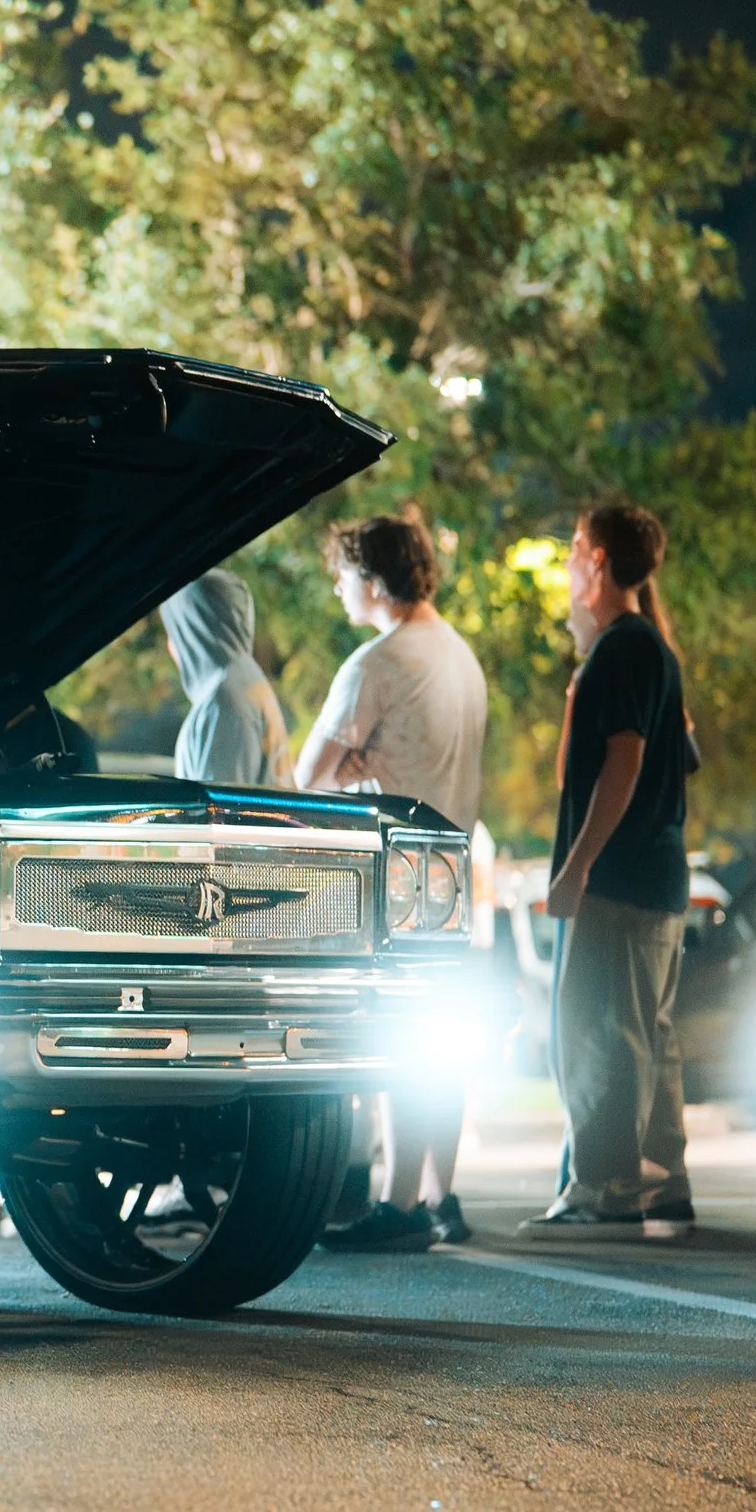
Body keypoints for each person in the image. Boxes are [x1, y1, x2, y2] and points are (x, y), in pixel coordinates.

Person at [297, 506, 490, 1253]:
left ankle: (399, 1203)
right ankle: (441, 1194)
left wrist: (354, 766)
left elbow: (306, 777)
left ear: (373, 580)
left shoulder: (376, 664)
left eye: (345, 575)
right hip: (451, 878)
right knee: (440, 1041)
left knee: (398, 1039)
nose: (340, 590)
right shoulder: (459, 657)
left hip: (388, 882)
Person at [524, 500, 693, 1235]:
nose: (566, 560)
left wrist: (576, 868)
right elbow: (673, 759)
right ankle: (661, 1179)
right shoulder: (647, 645)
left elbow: (622, 763)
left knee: (600, 1033)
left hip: (619, 881)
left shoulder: (624, 647)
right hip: (656, 880)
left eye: (572, 547)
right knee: (646, 1035)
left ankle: (607, 1189)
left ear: (597, 559)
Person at [159, 572, 294, 789]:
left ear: (190, 632)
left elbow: (217, 813)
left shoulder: (223, 701)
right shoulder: (246, 680)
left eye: (174, 630)